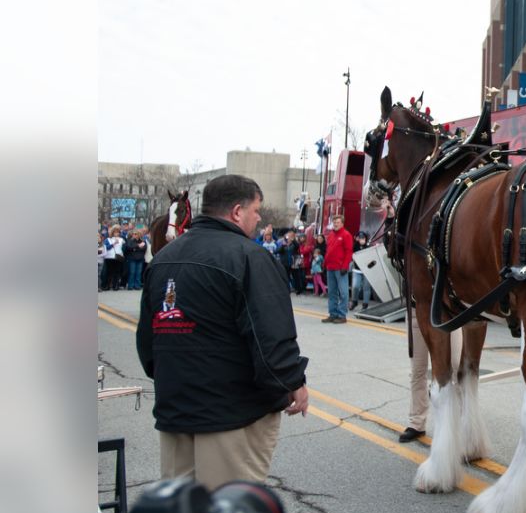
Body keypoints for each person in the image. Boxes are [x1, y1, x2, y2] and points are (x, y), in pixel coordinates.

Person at [136, 174, 309, 489]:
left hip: (176, 411)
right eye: (256, 210)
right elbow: (269, 335)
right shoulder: (250, 258)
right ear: (237, 211)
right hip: (231, 416)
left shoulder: (162, 260)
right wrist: (292, 382)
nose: (258, 219)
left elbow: (148, 344)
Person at [323, 214, 354, 323]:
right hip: (330, 267)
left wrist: (345, 266)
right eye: (334, 222)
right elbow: (328, 251)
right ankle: (333, 313)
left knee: (344, 293)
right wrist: (324, 264)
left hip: (340, 268)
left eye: (338, 222)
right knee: (332, 292)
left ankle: (342, 315)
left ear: (342, 223)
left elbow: (349, 252)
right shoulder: (331, 235)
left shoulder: (346, 235)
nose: (335, 224)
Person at [351, 231, 373, 311]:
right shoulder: (355, 246)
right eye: (360, 238)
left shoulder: (368, 247)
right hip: (357, 269)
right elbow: (351, 252)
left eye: (363, 238)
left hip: (367, 270)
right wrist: (355, 240)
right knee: (355, 286)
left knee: (366, 287)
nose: (361, 240)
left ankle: (365, 303)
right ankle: (354, 301)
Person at [105, 225, 125, 290]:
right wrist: (113, 244)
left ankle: (115, 285)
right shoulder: (108, 239)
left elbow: (124, 248)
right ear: (112, 233)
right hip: (109, 257)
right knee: (109, 272)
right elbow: (106, 248)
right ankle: (107, 285)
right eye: (115, 232)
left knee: (117, 272)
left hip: (118, 257)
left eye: (118, 232)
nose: (117, 234)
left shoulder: (122, 239)